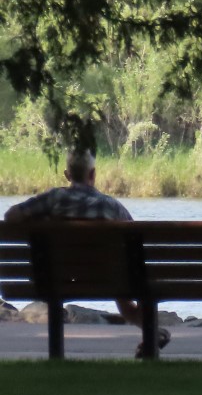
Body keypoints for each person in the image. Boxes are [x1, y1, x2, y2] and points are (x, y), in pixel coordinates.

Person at [3, 149, 161, 357]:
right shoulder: (111, 206)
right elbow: (134, 243)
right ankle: (152, 335)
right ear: (93, 174)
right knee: (127, 293)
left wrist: (44, 221)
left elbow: (10, 216)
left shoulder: (53, 199)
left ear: (67, 175)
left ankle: (155, 334)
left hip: (56, 279)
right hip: (110, 280)